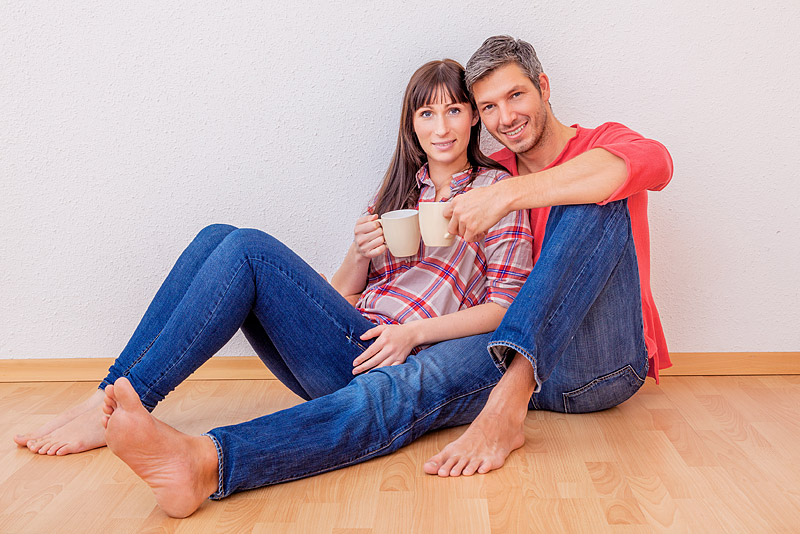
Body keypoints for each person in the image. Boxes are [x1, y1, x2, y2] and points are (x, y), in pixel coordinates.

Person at [14, 59, 534, 518]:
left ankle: (126, 402)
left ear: (473, 117)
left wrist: (413, 334)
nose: (441, 127)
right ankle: (108, 393)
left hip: (395, 360)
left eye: (453, 111)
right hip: (356, 337)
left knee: (249, 249)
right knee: (216, 236)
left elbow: (506, 309)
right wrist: (358, 253)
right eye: (427, 113)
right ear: (411, 123)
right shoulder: (399, 192)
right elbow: (342, 296)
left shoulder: (496, 192)